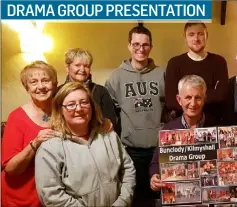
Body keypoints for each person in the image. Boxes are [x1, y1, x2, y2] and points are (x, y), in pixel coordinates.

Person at [35, 82, 136, 206]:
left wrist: (122, 203)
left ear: (92, 106)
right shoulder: (50, 148)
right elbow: (51, 195)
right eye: (71, 105)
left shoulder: (109, 135)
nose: (79, 108)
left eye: (84, 102)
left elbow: (128, 170)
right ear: (60, 110)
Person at [105, 25, 165, 206]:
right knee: (136, 197)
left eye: (145, 45)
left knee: (161, 196)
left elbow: (171, 108)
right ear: (129, 46)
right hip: (131, 149)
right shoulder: (115, 77)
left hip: (159, 148)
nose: (141, 49)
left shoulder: (162, 74)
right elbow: (110, 115)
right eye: (136, 44)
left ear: (151, 47)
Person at [1, 61, 58, 207]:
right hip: (20, 195)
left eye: (45, 80)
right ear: (27, 87)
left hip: (50, 193)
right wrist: (35, 143)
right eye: (33, 82)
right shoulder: (17, 117)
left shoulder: (61, 111)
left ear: (54, 83)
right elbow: (10, 169)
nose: (41, 86)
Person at [149, 75, 217, 192]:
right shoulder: (168, 129)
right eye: (188, 97)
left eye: (198, 98)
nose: (193, 103)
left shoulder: (216, 127)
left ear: (204, 99)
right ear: (179, 100)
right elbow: (155, 162)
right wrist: (154, 177)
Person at [165, 21, 229, 124]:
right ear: (185, 37)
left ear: (206, 36)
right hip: (183, 125)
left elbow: (221, 96)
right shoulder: (174, 64)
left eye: (200, 34)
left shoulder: (219, 62)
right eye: (191, 34)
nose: (196, 39)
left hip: (212, 124)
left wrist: (186, 97)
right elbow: (171, 101)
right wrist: (210, 94)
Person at [60, 48, 118, 134]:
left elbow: (111, 120)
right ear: (67, 68)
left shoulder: (100, 91)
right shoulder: (59, 92)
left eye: (86, 66)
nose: (82, 69)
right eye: (77, 65)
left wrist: (108, 123)